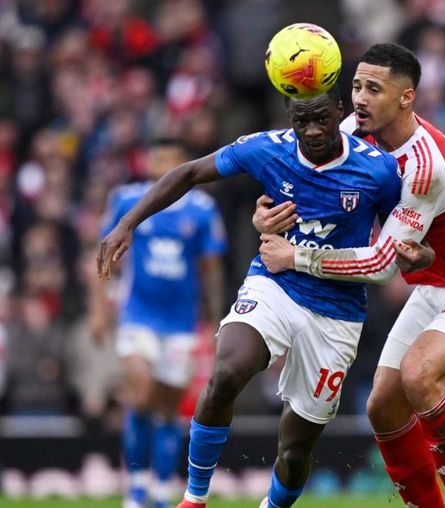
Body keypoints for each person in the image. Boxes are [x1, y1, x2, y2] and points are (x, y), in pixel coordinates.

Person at [256, 43, 445, 508]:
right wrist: (265, 216)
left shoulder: (424, 166)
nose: (360, 99)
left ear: (407, 98)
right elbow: (306, 190)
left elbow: (383, 265)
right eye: (356, 86)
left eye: (374, 89)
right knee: (383, 407)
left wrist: (296, 257)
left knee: (419, 375)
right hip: (438, 279)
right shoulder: (351, 133)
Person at [96, 85, 402, 508]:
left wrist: (419, 257)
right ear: (289, 118)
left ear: (339, 110)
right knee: (226, 372)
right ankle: (193, 498)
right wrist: (128, 223)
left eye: (321, 119)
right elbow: (189, 173)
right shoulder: (267, 149)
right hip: (274, 284)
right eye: (301, 121)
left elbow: (390, 255)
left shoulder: (379, 171)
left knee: (295, 450)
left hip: (337, 312)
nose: (312, 131)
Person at [91, 138, 227, 508]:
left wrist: (216, 319)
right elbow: (102, 253)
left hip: (181, 322)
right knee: (140, 392)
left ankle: (162, 489)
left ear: (185, 165)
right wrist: (99, 310)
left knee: (169, 406)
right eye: (157, 158)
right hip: (138, 314)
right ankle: (136, 488)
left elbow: (210, 268)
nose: (162, 165)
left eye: (171, 159)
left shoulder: (202, 209)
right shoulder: (126, 200)